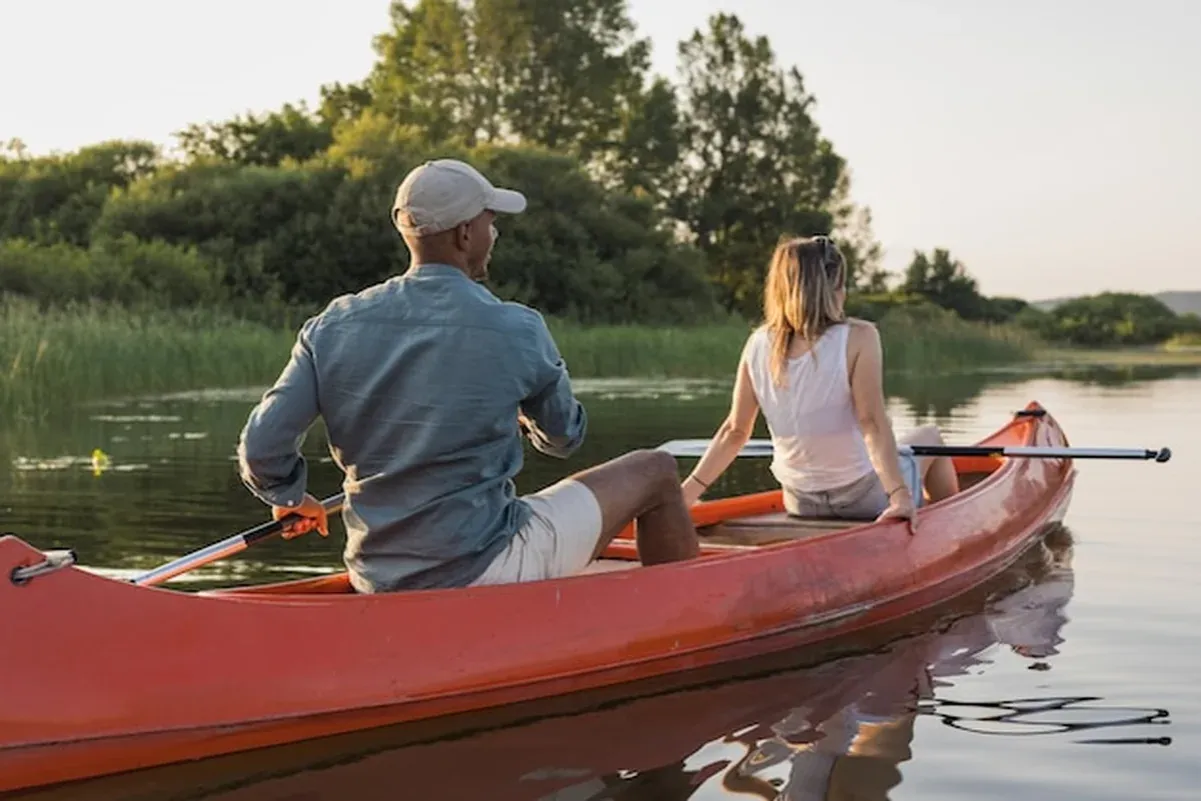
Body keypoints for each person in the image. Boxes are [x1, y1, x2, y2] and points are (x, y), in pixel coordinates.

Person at [236, 158, 698, 593]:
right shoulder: (518, 327)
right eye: (490, 223)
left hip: (374, 574)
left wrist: (290, 496)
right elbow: (563, 438)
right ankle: (684, 613)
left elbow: (261, 450)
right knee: (656, 470)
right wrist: (525, 415)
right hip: (484, 566)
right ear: (464, 234)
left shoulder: (331, 325)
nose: (494, 234)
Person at [679, 235, 959, 532]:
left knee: (901, 447)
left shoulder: (757, 343)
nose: (845, 293)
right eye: (841, 284)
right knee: (930, 437)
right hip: (864, 498)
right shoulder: (860, 336)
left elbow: (734, 432)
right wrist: (899, 496)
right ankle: (951, 530)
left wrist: (685, 495)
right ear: (831, 290)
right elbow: (871, 423)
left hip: (800, 501)